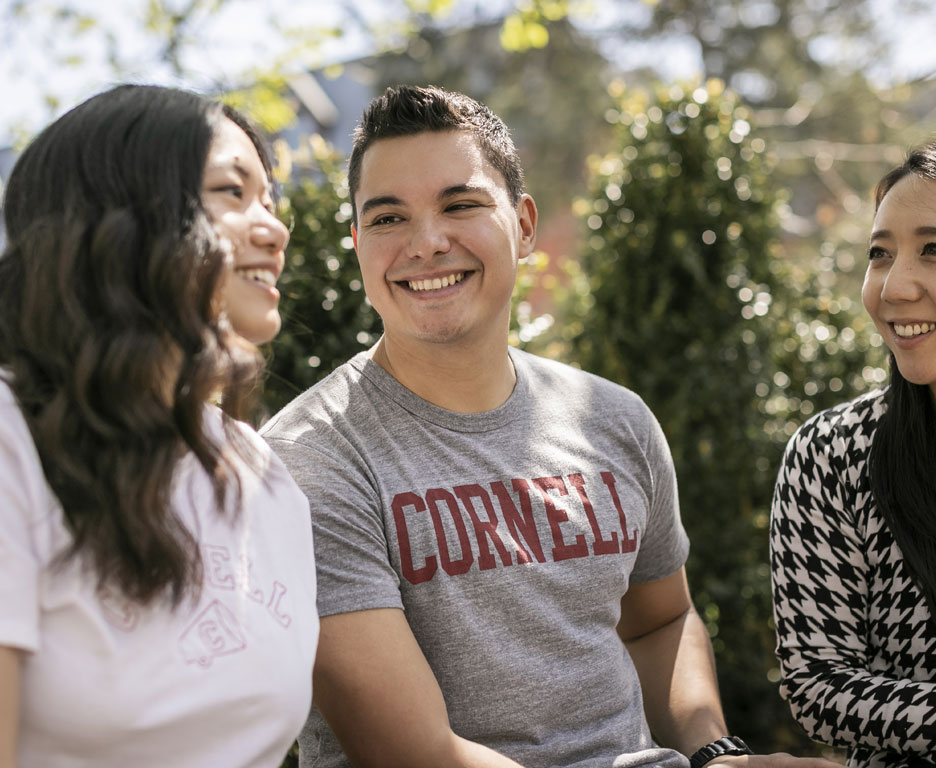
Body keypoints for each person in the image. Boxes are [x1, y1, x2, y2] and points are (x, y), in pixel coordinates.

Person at [262, 84, 836, 768]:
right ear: (357, 245)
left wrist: (716, 753)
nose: (427, 242)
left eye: (461, 204)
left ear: (525, 225)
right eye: (388, 219)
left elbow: (660, 621)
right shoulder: (310, 458)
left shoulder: (614, 420)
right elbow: (416, 754)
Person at [0, 84, 318, 767]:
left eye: (270, 199)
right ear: (122, 217)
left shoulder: (260, 472)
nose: (276, 229)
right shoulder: (11, 443)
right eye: (233, 193)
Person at [771, 136, 936, 768]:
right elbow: (820, 687)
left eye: (935, 249)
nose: (893, 286)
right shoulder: (833, 456)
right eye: (880, 255)